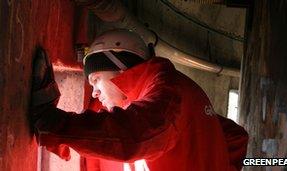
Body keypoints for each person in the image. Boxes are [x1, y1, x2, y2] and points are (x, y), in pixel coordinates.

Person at [31, 28, 248, 171]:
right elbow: (235, 136)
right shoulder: (178, 96)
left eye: (96, 79)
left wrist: (51, 122)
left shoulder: (168, 92)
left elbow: (137, 135)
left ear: (122, 70)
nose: (95, 92)